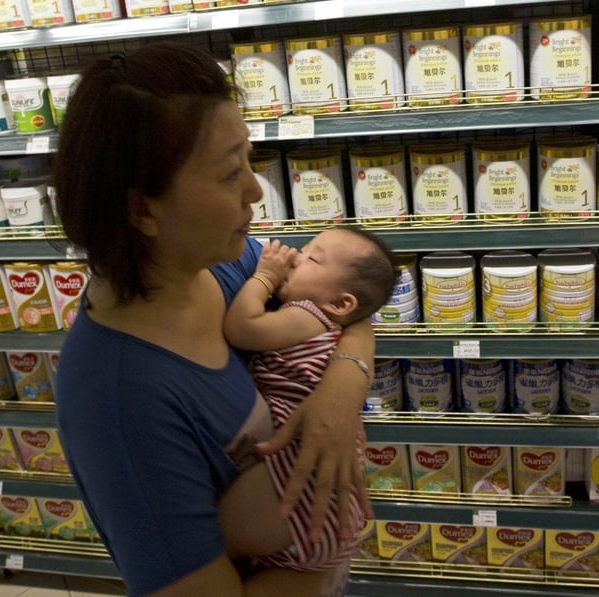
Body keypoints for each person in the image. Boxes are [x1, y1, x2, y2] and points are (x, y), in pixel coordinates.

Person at [53, 42, 374, 597]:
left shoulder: (228, 267)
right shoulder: (120, 402)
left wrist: (340, 393)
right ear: (141, 209)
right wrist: (327, 558)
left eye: (249, 160)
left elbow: (351, 302)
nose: (255, 189)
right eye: (230, 174)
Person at [220, 228, 396, 574]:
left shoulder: (308, 315)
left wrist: (265, 277)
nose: (296, 256)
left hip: (293, 487)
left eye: (312, 257)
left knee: (210, 542)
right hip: (314, 510)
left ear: (341, 304)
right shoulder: (326, 323)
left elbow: (242, 327)